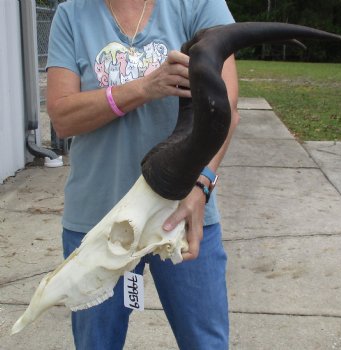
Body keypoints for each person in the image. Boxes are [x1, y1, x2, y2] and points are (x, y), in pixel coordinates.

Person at [46, 0, 240, 349]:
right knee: (96, 343)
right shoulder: (72, 14)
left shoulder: (197, 5)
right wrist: (145, 88)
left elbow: (225, 107)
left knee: (206, 343)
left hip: (183, 210)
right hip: (99, 219)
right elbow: (63, 116)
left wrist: (202, 185)